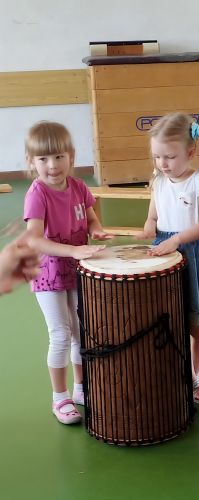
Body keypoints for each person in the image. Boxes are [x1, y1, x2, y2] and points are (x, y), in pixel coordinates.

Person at [137, 113, 199, 407]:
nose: (162, 163)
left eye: (170, 157)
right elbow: (153, 216)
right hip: (164, 253)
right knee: (167, 321)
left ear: (190, 153)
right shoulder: (158, 180)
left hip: (191, 256)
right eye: (157, 157)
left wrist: (177, 239)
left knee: (195, 325)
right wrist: (149, 227)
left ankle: (195, 381)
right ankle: (179, 378)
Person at [23, 121, 111, 425]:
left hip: (76, 269)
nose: (53, 165)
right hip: (47, 274)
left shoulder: (78, 187)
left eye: (59, 156)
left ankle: (80, 389)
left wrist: (96, 231)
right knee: (60, 333)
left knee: (79, 331)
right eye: (43, 158)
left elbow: (91, 218)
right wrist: (73, 251)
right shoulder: (37, 194)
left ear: (71, 156)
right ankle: (59, 398)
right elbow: (34, 239)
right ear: (31, 162)